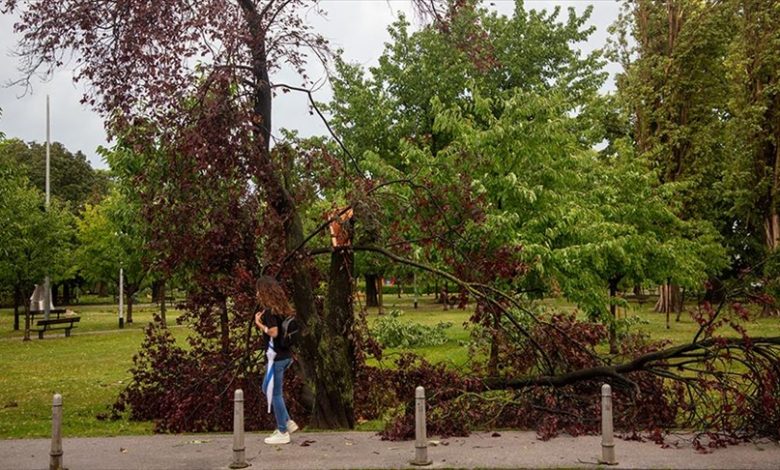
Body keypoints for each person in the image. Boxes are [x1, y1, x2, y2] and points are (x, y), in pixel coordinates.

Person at [254, 275, 299, 445]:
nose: (257, 293)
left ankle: (282, 431)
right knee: (268, 389)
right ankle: (287, 421)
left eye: (259, 290)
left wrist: (259, 324)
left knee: (274, 393)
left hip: (276, 358)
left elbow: (273, 332)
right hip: (286, 355)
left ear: (264, 291)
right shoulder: (282, 308)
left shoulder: (268, 311)